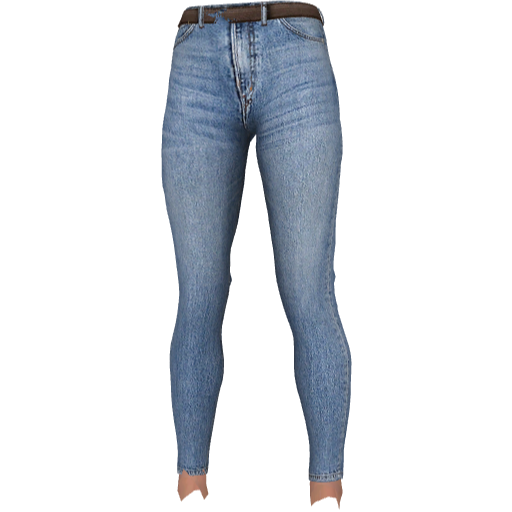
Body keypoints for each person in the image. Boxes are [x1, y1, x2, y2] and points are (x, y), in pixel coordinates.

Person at [163, 2, 351, 511]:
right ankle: (190, 498)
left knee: (309, 299)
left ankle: (330, 499)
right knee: (197, 303)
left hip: (295, 46)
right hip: (197, 46)